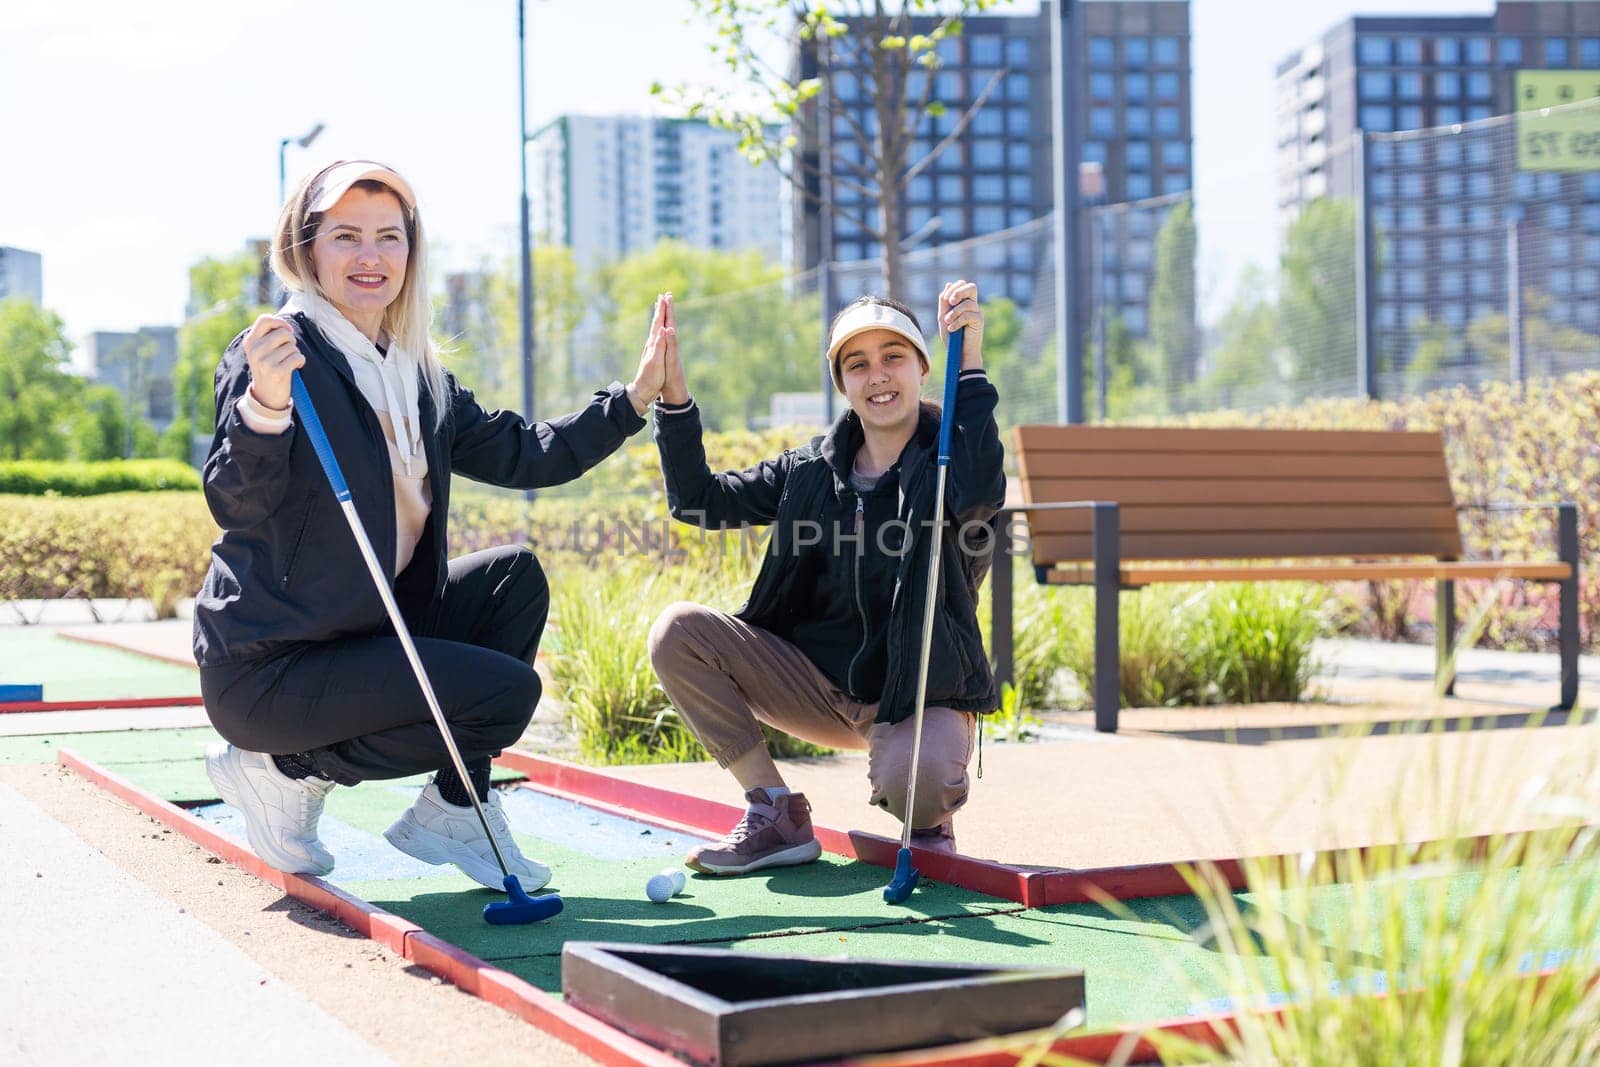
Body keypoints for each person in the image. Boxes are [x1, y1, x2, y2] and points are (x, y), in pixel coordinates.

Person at [195, 159, 678, 889]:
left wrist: (632, 400)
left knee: (514, 576)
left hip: (365, 636)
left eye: (390, 237)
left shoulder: (417, 372)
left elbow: (528, 453)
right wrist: (265, 403)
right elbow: (236, 502)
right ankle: (283, 767)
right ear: (306, 246)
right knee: (506, 694)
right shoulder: (280, 353)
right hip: (272, 667)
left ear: (411, 253)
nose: (370, 257)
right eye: (346, 236)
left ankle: (457, 805)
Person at [647, 281, 1005, 875]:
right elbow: (698, 501)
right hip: (810, 685)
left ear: (922, 367)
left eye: (894, 357)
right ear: (842, 384)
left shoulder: (949, 464)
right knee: (677, 632)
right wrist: (674, 397)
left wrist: (968, 360)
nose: (878, 376)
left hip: (917, 691)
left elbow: (980, 491)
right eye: (857, 364)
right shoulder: (808, 470)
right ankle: (776, 813)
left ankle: (927, 814)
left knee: (915, 784)